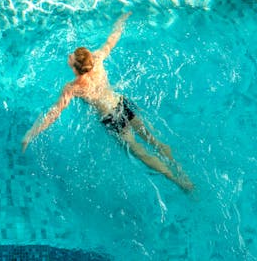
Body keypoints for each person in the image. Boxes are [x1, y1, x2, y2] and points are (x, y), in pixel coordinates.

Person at [21, 13, 193, 192]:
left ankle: (177, 180)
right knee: (154, 141)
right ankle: (181, 169)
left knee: (140, 152)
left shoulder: (72, 87)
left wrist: (31, 134)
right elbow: (112, 40)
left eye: (71, 57)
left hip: (112, 118)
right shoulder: (97, 59)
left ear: (75, 69)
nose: (70, 55)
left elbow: (54, 114)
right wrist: (121, 21)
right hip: (123, 104)